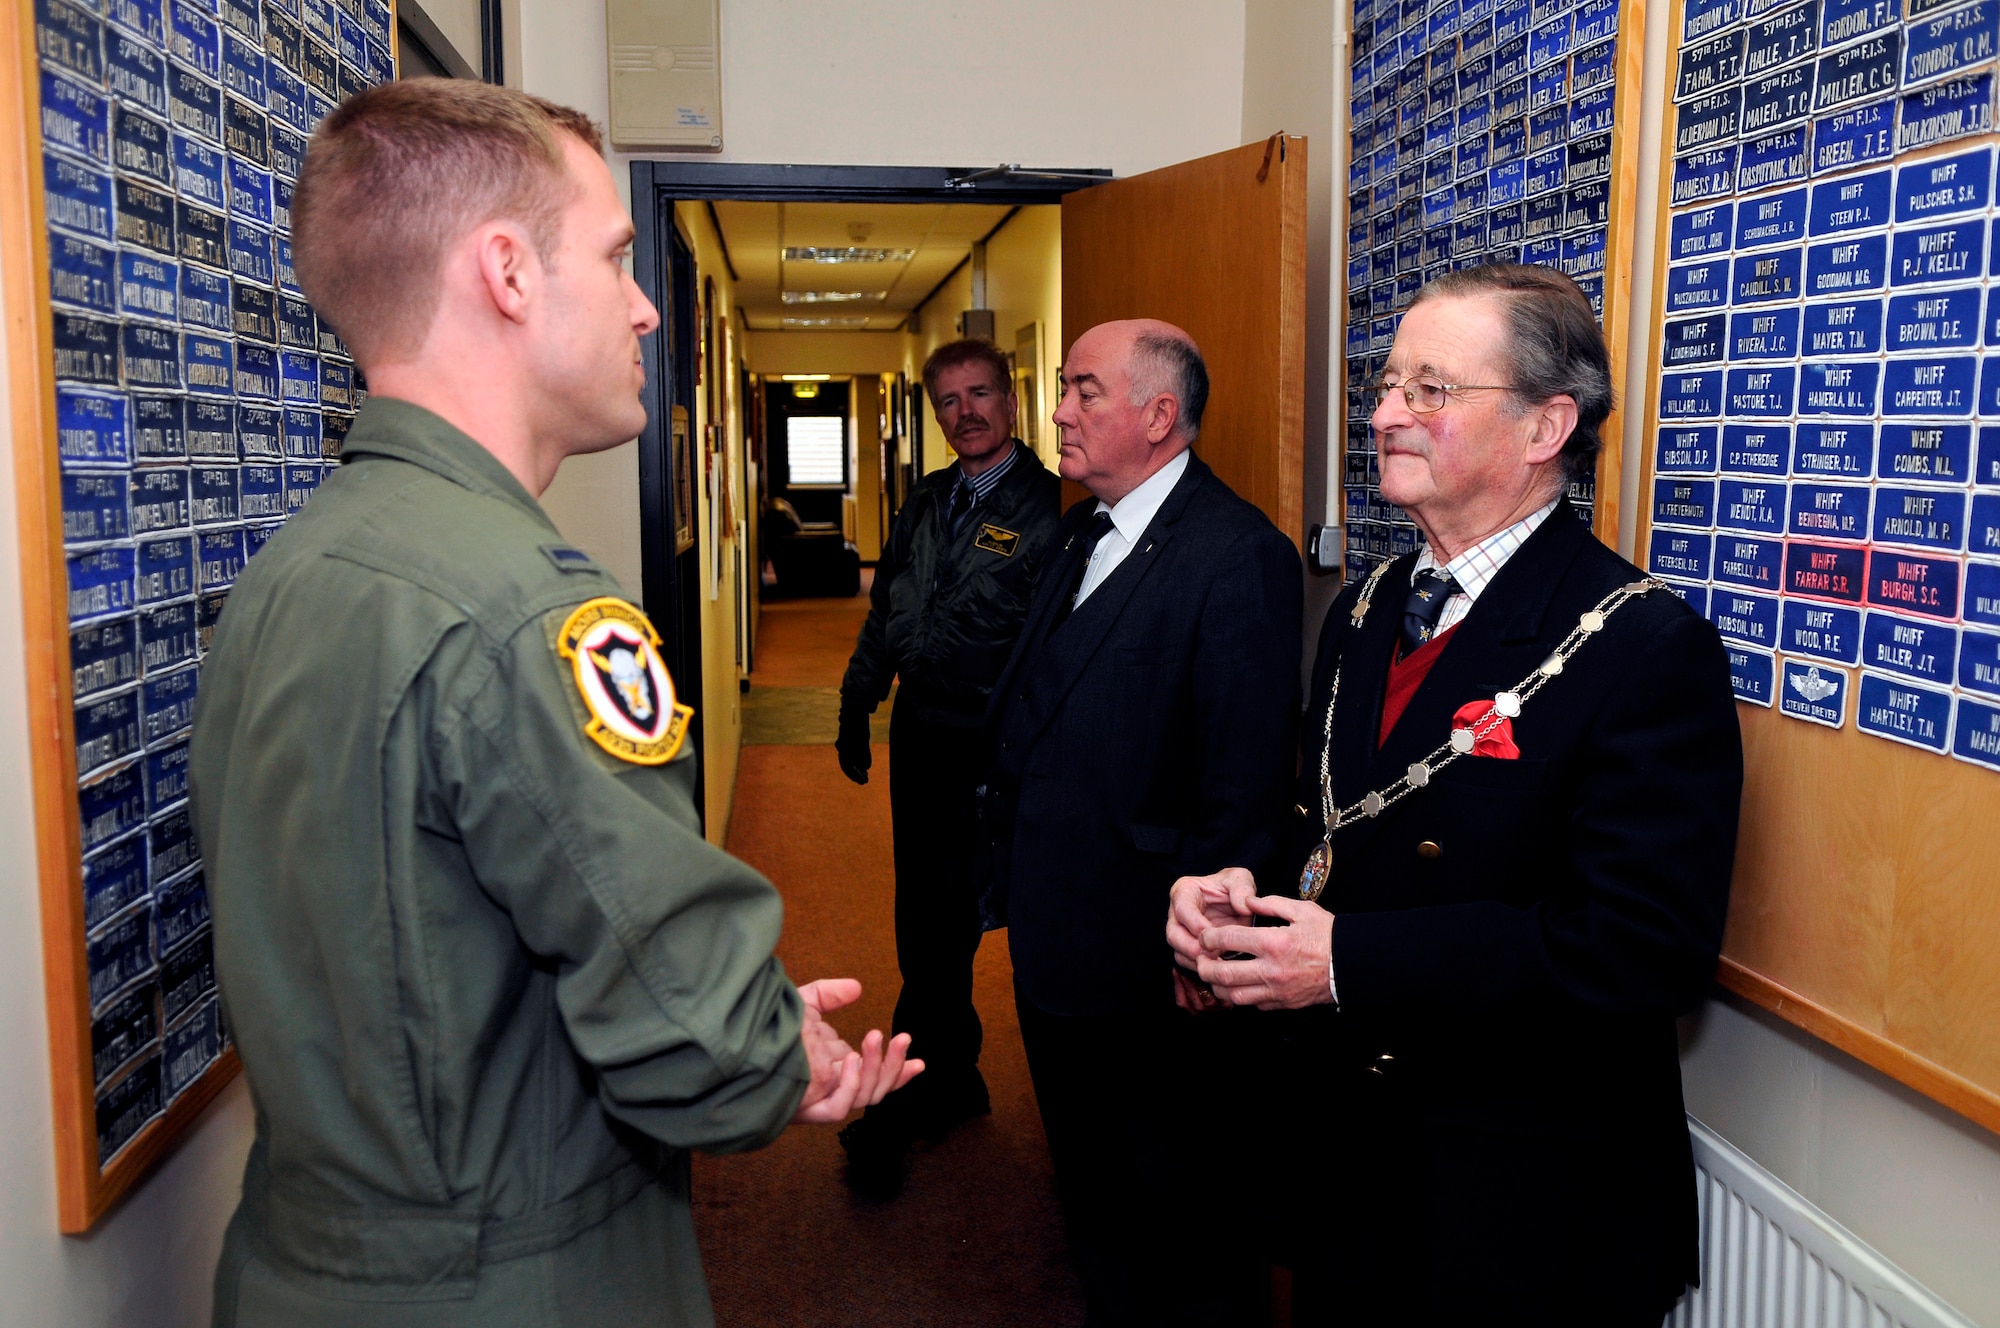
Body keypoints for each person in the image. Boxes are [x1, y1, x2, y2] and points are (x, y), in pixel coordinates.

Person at [189, 81, 918, 1328]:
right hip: (507, 1283)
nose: (644, 306)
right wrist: (755, 1047)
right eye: (618, 256)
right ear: (509, 274)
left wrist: (723, 1015)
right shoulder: (529, 613)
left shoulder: (294, 571)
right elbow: (691, 1036)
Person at [1168, 264, 1742, 1326]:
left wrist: (1344, 961)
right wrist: (1235, 887)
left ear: (1543, 426)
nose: (1384, 412)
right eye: (1388, 383)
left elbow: (1640, 947)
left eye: (1429, 389)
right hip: (1358, 1155)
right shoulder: (1367, 603)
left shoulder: (1642, 644)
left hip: (1517, 1194)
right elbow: (1332, 821)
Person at [982, 319, 1303, 1326]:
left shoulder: (1236, 554)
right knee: (1098, 1200)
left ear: (1158, 416)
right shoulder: (1083, 528)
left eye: (1084, 390)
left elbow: (1244, 781)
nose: (1058, 411)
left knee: (1180, 1218)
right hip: (1057, 937)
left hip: (1149, 961)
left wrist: (1204, 948)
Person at [832, 339, 1062, 1196]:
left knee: (945, 923)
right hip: (918, 739)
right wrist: (859, 702)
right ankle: (955, 1073)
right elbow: (888, 603)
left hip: (987, 745)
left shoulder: (1051, 510)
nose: (965, 413)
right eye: (949, 401)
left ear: (1011, 400)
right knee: (922, 912)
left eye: (980, 395)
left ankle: (902, 1096)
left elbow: (1048, 650)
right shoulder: (926, 499)